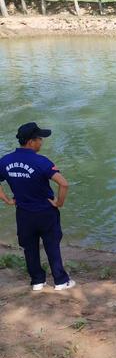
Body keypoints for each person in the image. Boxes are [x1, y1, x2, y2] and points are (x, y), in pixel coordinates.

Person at [0, 122, 74, 291]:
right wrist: (59, 203)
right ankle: (61, 281)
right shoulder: (41, 161)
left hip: (24, 213)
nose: (42, 142)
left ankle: (37, 281)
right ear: (31, 142)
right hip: (46, 212)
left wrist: (6, 199)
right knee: (52, 245)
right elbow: (64, 184)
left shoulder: (5, 161)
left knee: (30, 248)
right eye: (40, 139)